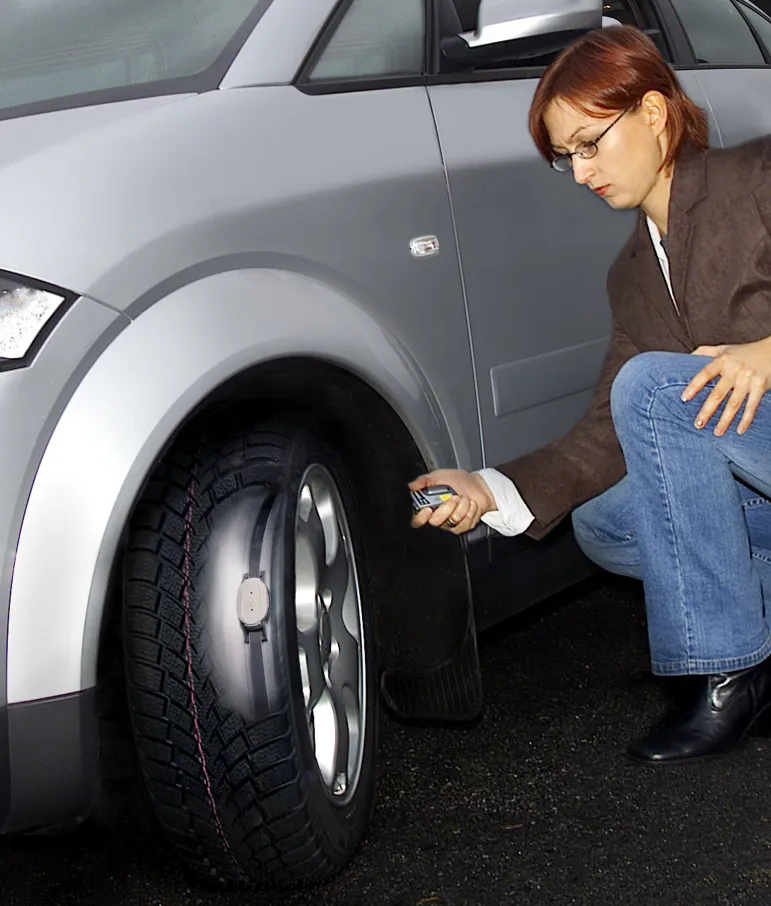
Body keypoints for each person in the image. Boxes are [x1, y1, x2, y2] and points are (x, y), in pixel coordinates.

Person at [410, 24, 771, 765]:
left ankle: (727, 669)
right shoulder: (634, 272)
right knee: (605, 521)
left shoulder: (755, 180)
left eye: (588, 143)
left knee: (657, 387)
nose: (580, 173)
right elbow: (608, 428)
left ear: (651, 113)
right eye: (564, 158)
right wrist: (486, 486)